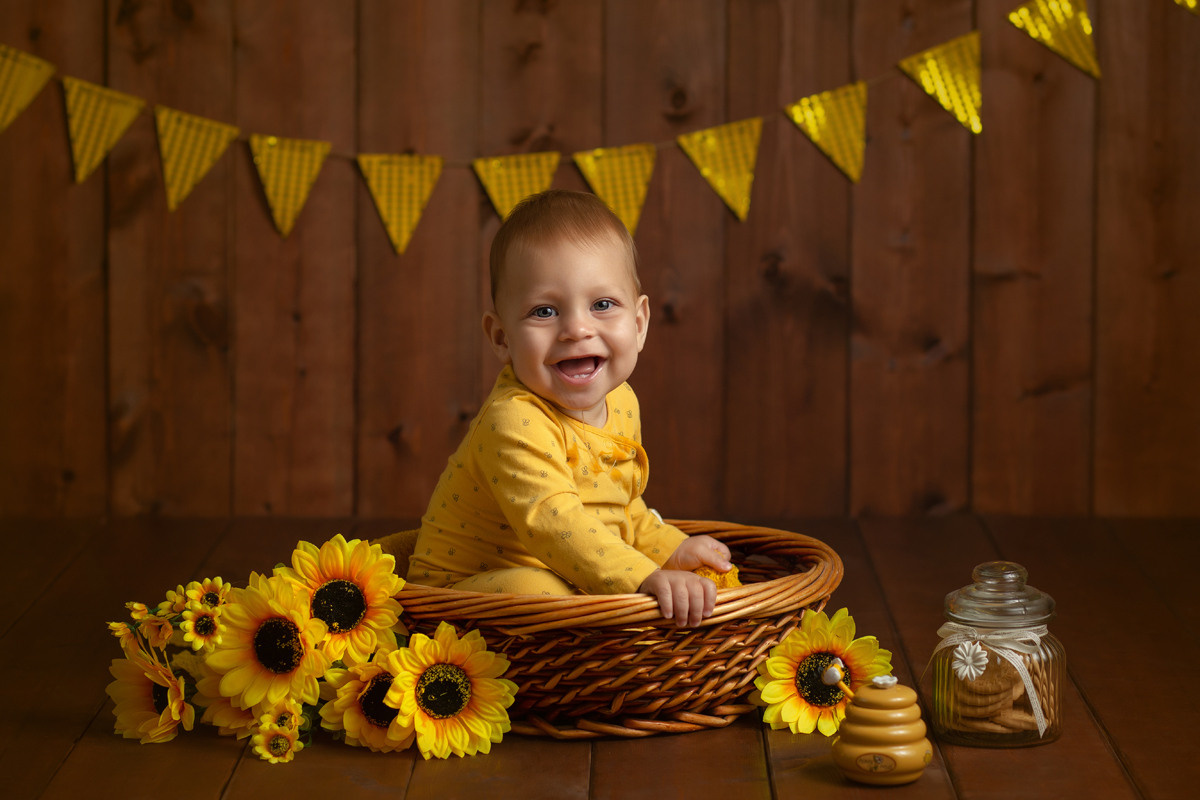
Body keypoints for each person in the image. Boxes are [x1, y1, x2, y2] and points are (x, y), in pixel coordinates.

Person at [405, 189, 733, 627]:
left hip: (567, 571)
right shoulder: (513, 421)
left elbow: (618, 507)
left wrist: (668, 549)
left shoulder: (621, 402)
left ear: (638, 325)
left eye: (602, 305)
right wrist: (643, 576)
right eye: (544, 311)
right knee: (546, 594)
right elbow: (555, 523)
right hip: (460, 594)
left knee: (595, 588)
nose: (577, 329)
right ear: (501, 339)